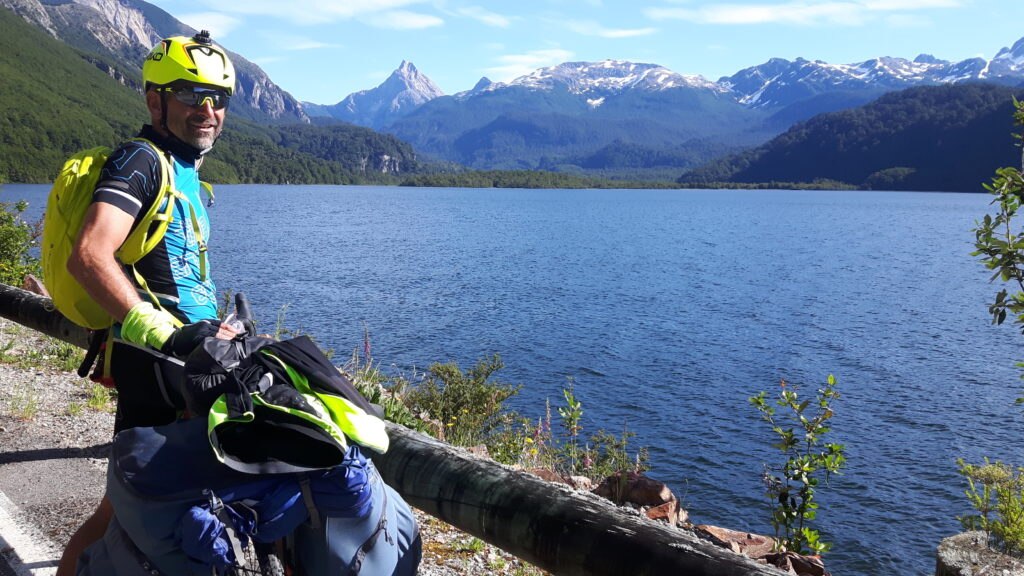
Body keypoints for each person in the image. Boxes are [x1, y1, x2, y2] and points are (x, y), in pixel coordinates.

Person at [56, 30, 239, 576]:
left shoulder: (187, 173)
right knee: (125, 513)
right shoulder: (139, 161)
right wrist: (158, 329)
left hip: (192, 363)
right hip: (159, 366)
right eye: (190, 94)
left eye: (218, 98)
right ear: (154, 99)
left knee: (131, 513)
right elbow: (89, 255)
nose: (207, 110)